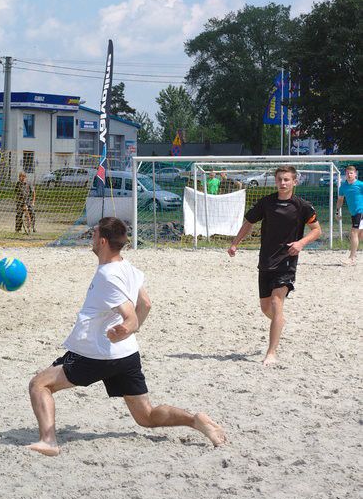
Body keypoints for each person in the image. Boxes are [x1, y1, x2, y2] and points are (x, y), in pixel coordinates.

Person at [26, 217, 226, 456]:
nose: (91, 237)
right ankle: (195, 420)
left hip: (95, 355)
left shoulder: (107, 275)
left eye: (94, 233)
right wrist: (127, 333)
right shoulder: (128, 268)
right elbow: (146, 304)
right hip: (126, 355)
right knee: (146, 416)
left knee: (39, 384)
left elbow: (129, 315)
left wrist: (126, 328)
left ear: (102, 241)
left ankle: (48, 441)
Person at [227, 165, 321, 366]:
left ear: (294, 182)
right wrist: (235, 243)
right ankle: (279, 321)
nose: (283, 183)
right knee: (265, 308)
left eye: (287, 179)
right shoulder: (266, 202)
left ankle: (271, 352)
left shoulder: (302, 206)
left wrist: (301, 243)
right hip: (266, 261)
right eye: (280, 179)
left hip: (287, 261)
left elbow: (316, 230)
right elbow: (249, 222)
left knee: (277, 302)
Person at [336, 165, 363, 264]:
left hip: (360, 211)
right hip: (354, 212)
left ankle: (351, 258)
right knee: (360, 235)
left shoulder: (360, 185)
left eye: (351, 173)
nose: (349, 175)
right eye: (347, 173)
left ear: (355, 174)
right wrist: (337, 211)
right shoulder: (343, 187)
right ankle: (354, 255)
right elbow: (340, 200)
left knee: (353, 233)